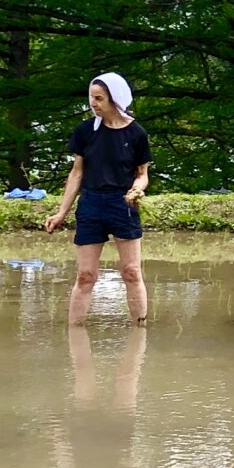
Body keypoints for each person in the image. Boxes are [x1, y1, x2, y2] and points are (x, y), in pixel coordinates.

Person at [45, 73, 151, 324]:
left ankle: (140, 335)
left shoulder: (136, 133)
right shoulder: (85, 131)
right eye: (91, 97)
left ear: (115, 99)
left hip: (123, 204)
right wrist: (61, 213)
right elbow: (76, 173)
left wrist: (137, 190)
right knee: (85, 275)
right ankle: (75, 336)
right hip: (91, 204)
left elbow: (142, 174)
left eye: (99, 98)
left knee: (132, 272)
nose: (93, 103)